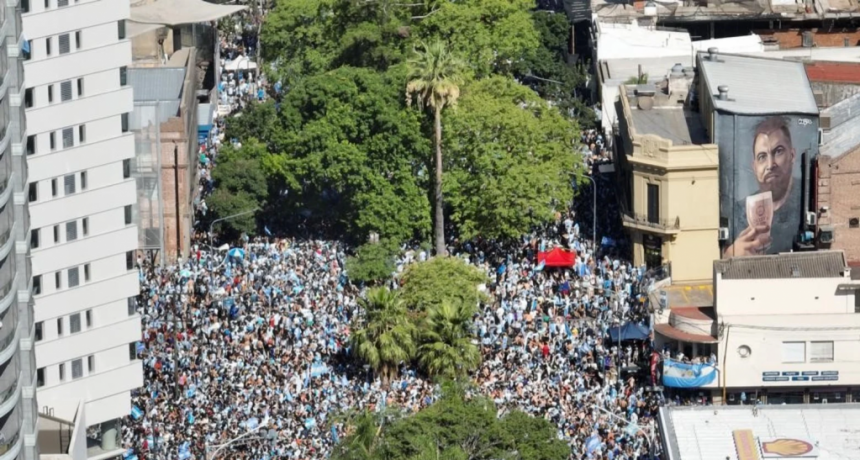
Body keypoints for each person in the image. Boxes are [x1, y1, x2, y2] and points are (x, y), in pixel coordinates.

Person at [723, 116, 801, 257]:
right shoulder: (739, 211)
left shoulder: (806, 200)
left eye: (778, 151)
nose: (770, 165)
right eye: (762, 157)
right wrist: (730, 256)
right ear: (754, 166)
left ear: (792, 155)